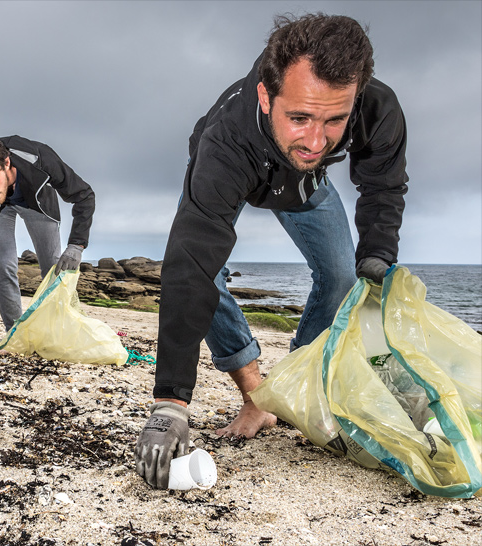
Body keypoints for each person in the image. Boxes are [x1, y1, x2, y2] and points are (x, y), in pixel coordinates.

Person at [135, 13, 409, 489]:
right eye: (300, 117)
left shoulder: (377, 109)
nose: (317, 139)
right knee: (203, 272)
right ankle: (257, 398)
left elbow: (383, 187)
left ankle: (293, 393)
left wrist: (378, 255)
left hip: (304, 185)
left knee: (345, 275)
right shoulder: (224, 143)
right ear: (267, 96)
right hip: (235, 171)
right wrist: (169, 404)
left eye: (335, 120)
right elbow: (192, 267)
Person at [0, 135, 95, 361]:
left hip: (34, 203)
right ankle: (16, 336)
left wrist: (77, 244)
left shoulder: (39, 158)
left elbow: (84, 195)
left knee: (54, 268)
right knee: (3, 266)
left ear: (6, 163)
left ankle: (61, 333)